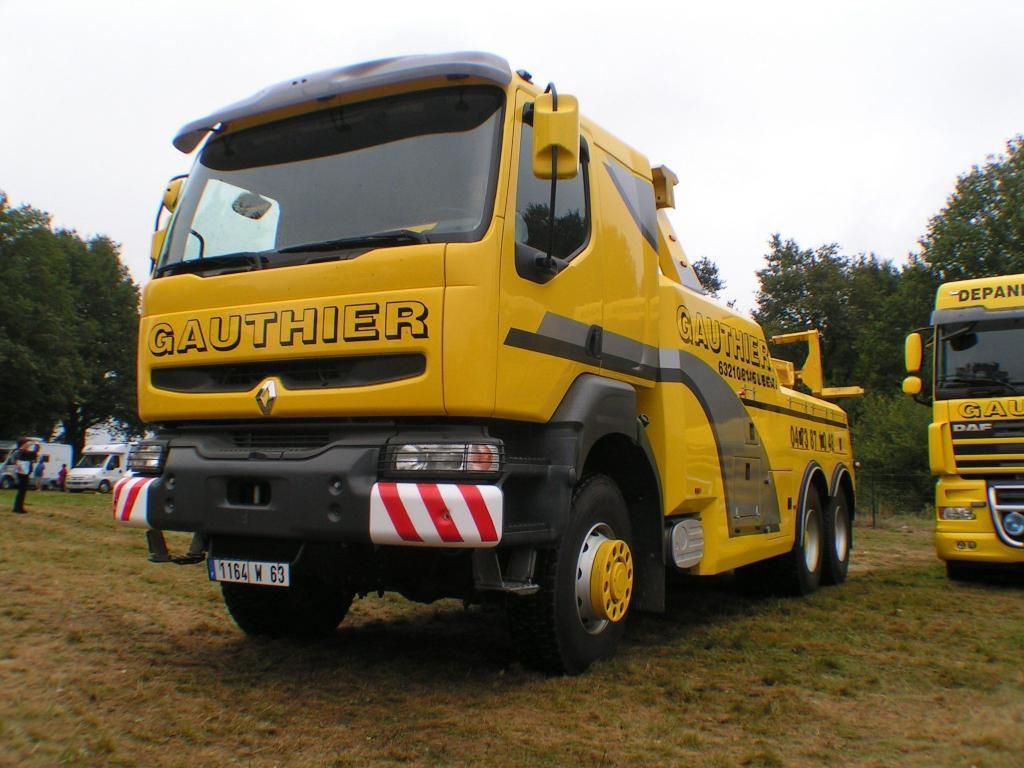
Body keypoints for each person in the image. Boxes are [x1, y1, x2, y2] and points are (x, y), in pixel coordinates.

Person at [11, 437, 39, 514]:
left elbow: (13, 460)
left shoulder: (17, 452)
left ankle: (18, 507)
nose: (28, 445)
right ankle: (18, 508)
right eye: (26, 444)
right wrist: (36, 444)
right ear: (23, 444)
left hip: (20, 472)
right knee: (22, 490)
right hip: (23, 472)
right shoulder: (22, 452)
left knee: (22, 490)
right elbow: (35, 453)